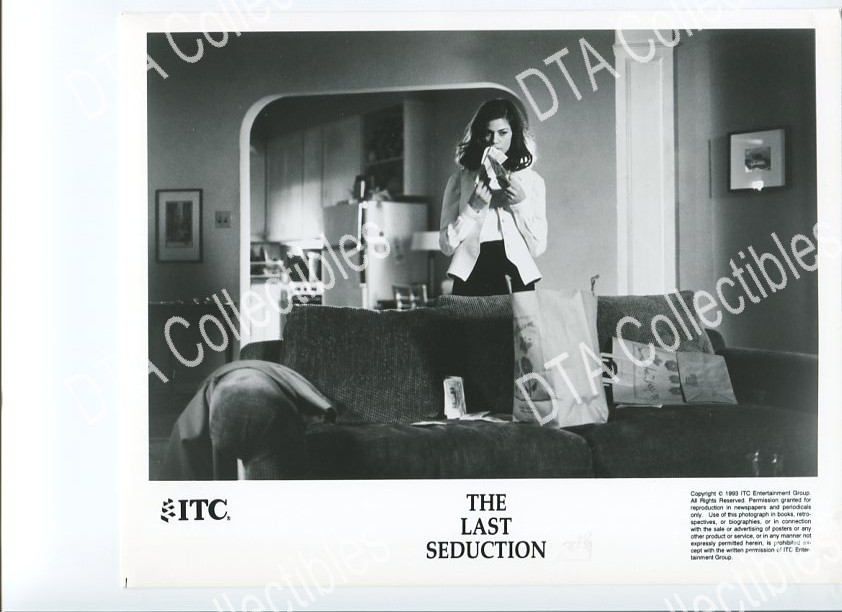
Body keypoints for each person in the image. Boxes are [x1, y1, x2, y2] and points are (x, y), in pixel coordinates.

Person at [439, 98, 548, 296]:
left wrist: (521, 204)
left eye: (502, 133)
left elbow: (538, 247)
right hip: (471, 273)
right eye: (488, 133)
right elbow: (446, 246)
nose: (494, 140)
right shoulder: (459, 180)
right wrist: (471, 209)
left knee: (521, 318)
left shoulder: (533, 181)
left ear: (514, 134)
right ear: (479, 135)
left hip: (518, 277)